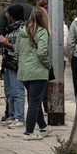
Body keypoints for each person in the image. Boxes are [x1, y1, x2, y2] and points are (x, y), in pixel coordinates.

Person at [15, 7, 52, 140]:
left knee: (34, 99)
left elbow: (17, 51)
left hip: (24, 71)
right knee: (35, 102)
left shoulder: (21, 31)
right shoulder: (43, 32)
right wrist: (48, 66)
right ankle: (29, 132)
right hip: (38, 71)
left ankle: (43, 127)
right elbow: (42, 52)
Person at [0, 5, 27, 128]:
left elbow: (23, 49)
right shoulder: (10, 29)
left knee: (17, 90)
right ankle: (12, 114)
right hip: (8, 62)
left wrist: (9, 46)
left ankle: (19, 117)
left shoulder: (22, 29)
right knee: (9, 90)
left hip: (17, 62)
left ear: (12, 16)